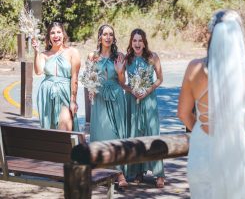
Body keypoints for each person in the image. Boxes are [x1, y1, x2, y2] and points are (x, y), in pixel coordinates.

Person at [177, 10, 245, 199]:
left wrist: (201, 129)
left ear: (211, 36)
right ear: (241, 36)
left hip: (203, 151)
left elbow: (183, 113)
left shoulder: (194, 69)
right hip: (239, 149)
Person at [87, 24, 128, 187]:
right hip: (99, 98)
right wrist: (91, 89)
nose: (108, 37)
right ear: (100, 37)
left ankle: (119, 174)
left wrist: (119, 71)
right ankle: (100, 171)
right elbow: (89, 78)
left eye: (111, 34)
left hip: (116, 96)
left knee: (116, 135)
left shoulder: (119, 55)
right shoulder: (92, 56)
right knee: (101, 134)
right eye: (105, 34)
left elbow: (123, 82)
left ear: (114, 38)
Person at [124, 28, 165, 188]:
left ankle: (159, 174)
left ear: (144, 42)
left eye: (140, 40)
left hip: (149, 100)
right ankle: (137, 171)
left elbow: (160, 79)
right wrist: (131, 90)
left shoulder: (152, 57)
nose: (137, 43)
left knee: (152, 134)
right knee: (135, 135)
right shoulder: (127, 59)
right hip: (133, 101)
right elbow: (122, 83)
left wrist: (147, 90)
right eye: (134, 41)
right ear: (131, 42)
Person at [32, 22, 80, 131]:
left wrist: (73, 100)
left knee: (64, 129)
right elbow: (38, 71)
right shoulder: (44, 54)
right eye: (52, 33)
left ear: (63, 35)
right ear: (49, 37)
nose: (56, 35)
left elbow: (74, 77)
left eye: (59, 32)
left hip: (65, 95)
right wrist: (36, 52)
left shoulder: (73, 52)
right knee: (50, 132)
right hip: (47, 95)